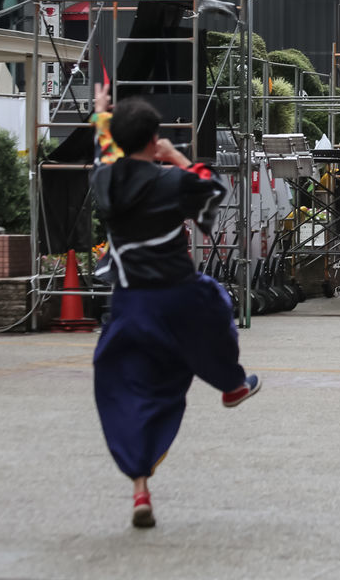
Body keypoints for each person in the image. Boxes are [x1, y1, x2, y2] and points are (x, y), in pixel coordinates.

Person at [89, 84, 259, 529]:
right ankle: (232, 384)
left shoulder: (104, 178)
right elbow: (213, 190)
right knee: (216, 311)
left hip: (129, 305)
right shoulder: (171, 179)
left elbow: (105, 149)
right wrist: (176, 157)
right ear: (154, 139)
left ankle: (140, 487)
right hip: (178, 293)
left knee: (132, 391)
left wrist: (101, 114)